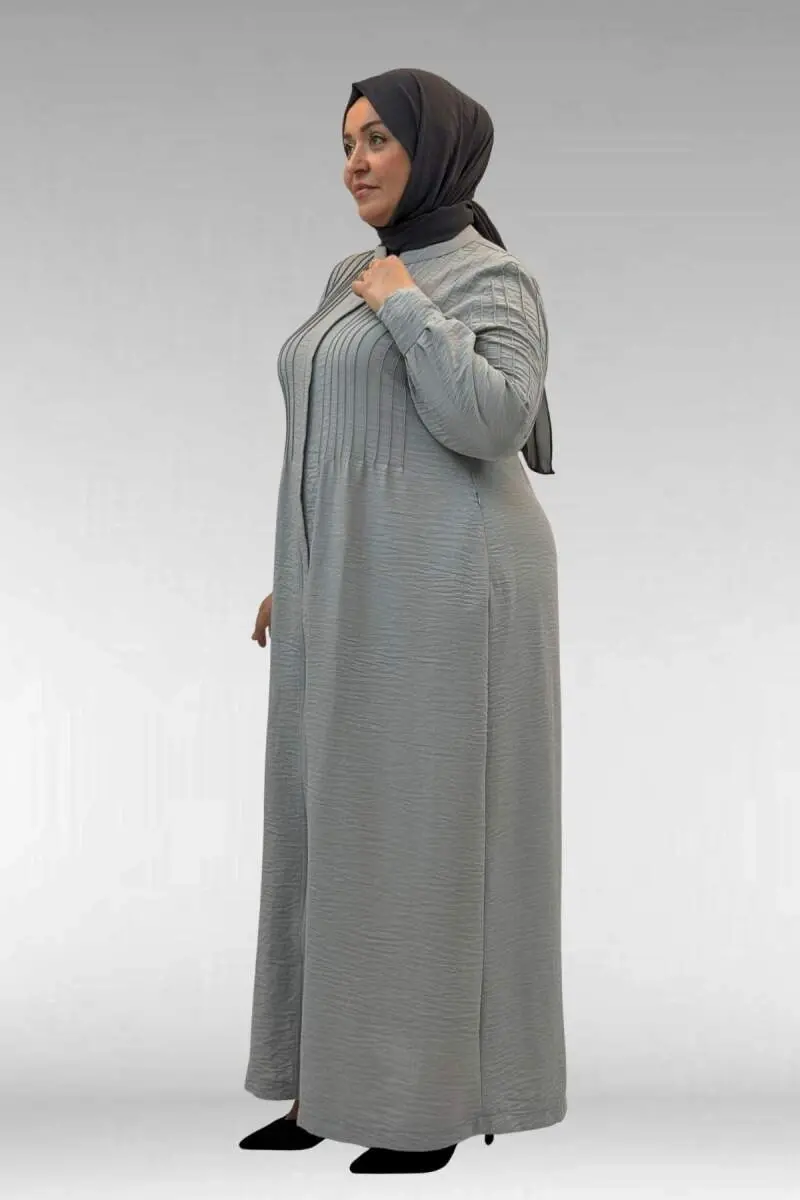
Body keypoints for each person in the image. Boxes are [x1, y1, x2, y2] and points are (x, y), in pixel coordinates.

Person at [239, 68, 566, 1176]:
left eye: (378, 139)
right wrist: (299, 571)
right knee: (324, 821)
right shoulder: (353, 273)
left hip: (450, 585)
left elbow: (495, 419)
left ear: (438, 151)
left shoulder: (489, 276)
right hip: (351, 581)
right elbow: (337, 430)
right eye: (346, 143)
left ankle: (423, 1102)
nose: (356, 163)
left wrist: (406, 307)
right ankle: (330, 1082)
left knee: (421, 833)